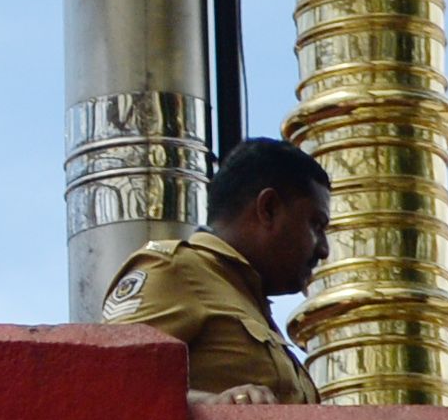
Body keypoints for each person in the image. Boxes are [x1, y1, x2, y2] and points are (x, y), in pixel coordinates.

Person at [104, 137, 330, 403]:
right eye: (315, 225)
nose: (323, 249)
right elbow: (110, 388)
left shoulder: (247, 300)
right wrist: (214, 405)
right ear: (268, 209)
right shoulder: (176, 270)